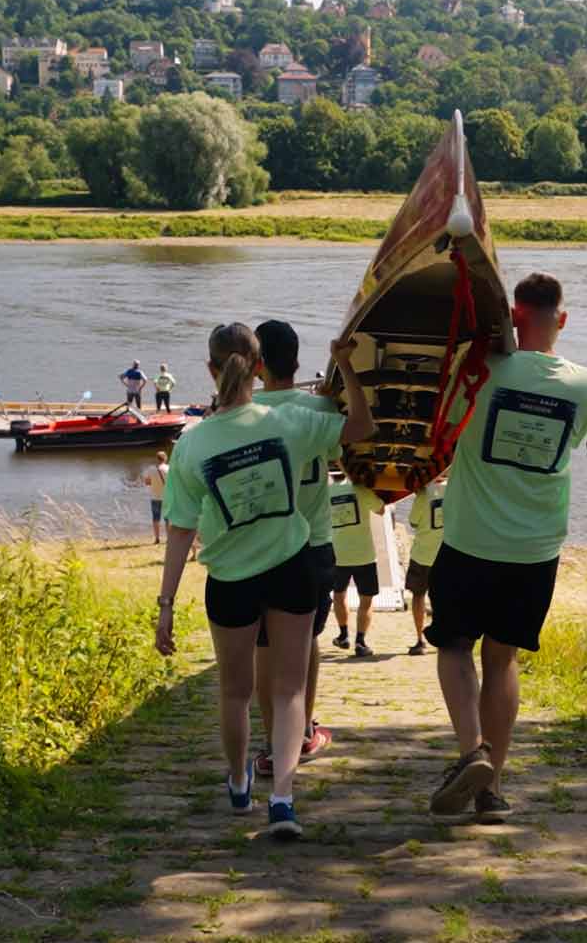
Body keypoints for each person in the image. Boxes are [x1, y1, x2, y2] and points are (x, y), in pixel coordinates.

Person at [155, 324, 375, 840]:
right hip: (292, 567)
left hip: (231, 578)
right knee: (290, 689)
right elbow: (361, 426)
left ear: (211, 369)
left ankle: (238, 785)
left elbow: (182, 530)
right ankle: (283, 802)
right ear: (259, 369)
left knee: (235, 693)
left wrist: (165, 604)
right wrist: (344, 365)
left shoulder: (192, 445)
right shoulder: (291, 422)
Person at [425, 272, 587, 825]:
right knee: (502, 660)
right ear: (562, 320)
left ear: (511, 318)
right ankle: (491, 789)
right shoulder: (586, 385)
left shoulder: (476, 373)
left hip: (470, 539)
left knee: (453, 646)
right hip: (535, 548)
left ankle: (471, 751)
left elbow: (444, 432)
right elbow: (569, 444)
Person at [250, 320, 339, 778]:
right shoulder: (318, 409)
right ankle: (302, 731)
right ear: (297, 362)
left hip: (261, 546)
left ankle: (271, 742)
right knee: (307, 641)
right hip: (314, 543)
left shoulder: (241, 414)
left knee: (265, 647)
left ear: (255, 364)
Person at [327, 471, 385, 656]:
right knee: (366, 600)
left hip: (337, 554)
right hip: (364, 554)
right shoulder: (360, 489)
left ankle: (343, 635)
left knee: (338, 595)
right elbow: (381, 509)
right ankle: (360, 641)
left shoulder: (325, 492)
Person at [404, 477, 447, 656]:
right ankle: (442, 638)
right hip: (446, 554)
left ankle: (420, 640)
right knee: (444, 598)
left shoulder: (424, 493)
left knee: (418, 596)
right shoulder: (456, 488)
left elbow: (413, 522)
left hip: (422, 554)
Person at [142, 450, 170, 544]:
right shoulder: (168, 468)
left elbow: (146, 482)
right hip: (167, 497)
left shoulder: (151, 469)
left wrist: (153, 482)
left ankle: (157, 538)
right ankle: (169, 538)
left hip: (154, 497)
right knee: (168, 519)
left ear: (157, 459)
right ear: (165, 458)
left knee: (155, 518)